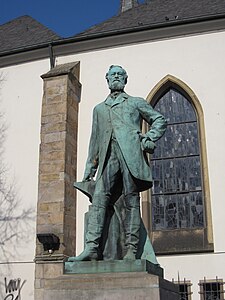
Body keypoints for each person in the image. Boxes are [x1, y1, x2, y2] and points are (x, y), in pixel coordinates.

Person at [69, 65, 166, 261]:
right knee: (99, 199)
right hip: (109, 158)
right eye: (113, 74)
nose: (116, 77)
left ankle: (131, 249)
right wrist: (90, 169)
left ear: (125, 79)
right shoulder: (99, 109)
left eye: (120, 75)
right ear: (107, 79)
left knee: (131, 201)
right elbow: (94, 141)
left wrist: (149, 137)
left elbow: (159, 120)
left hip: (131, 157)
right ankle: (91, 248)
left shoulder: (135, 103)